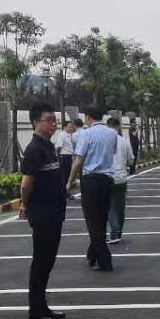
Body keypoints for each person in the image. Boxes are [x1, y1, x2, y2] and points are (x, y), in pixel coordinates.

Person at [20, 103, 68, 319]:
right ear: (35, 122)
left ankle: (42, 307)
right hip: (43, 214)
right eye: (48, 120)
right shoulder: (34, 150)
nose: (53, 124)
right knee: (41, 264)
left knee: (47, 263)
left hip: (54, 214)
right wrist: (24, 204)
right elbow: (26, 184)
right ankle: (36, 315)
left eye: (54, 120)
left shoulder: (48, 147)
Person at [68, 108, 117, 271]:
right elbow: (112, 153)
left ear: (88, 117)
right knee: (101, 220)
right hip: (107, 180)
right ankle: (92, 255)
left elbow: (78, 160)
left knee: (92, 221)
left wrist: (69, 182)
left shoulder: (86, 134)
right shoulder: (112, 134)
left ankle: (105, 261)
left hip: (91, 181)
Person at [107, 116, 135, 244]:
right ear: (118, 127)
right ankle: (119, 232)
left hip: (107, 177)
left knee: (109, 206)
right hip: (121, 178)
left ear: (107, 126)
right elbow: (131, 160)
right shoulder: (124, 141)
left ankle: (114, 232)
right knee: (120, 206)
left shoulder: (104, 140)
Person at [55, 119, 77, 185]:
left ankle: (67, 187)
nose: (71, 128)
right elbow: (58, 147)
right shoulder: (62, 135)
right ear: (64, 127)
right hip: (64, 157)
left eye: (72, 127)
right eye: (69, 127)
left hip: (69, 157)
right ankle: (64, 188)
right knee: (64, 174)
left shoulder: (69, 135)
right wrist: (58, 157)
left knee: (68, 173)